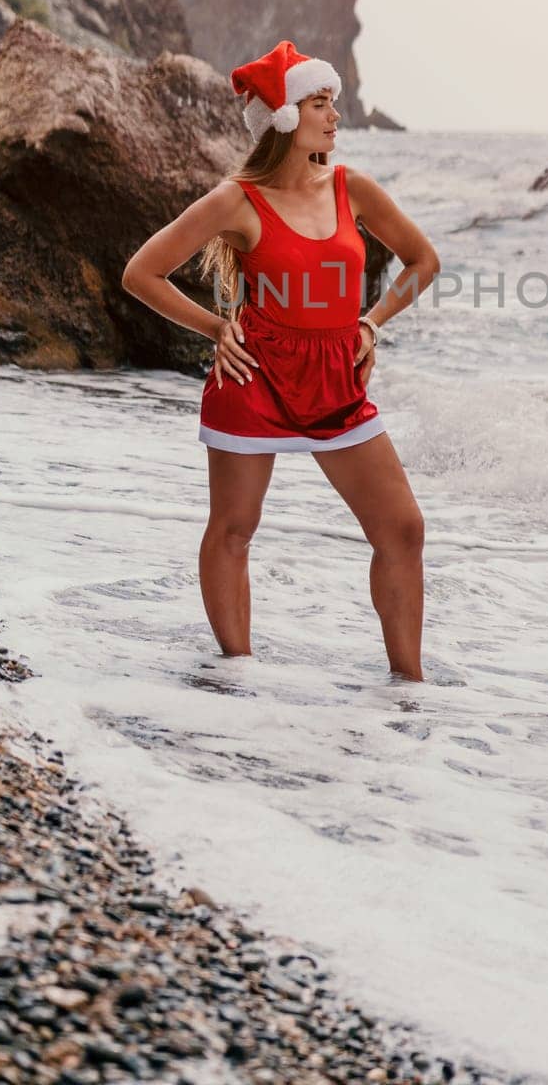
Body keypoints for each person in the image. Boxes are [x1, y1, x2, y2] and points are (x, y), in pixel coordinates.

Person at [121, 39, 441, 682]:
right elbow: (141, 272)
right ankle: (236, 676)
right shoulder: (237, 200)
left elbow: (423, 261)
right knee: (235, 527)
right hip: (255, 376)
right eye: (320, 104)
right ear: (285, 119)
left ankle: (409, 689)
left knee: (402, 528)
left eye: (333, 104)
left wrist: (371, 323)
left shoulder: (354, 189)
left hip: (338, 380)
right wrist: (217, 328)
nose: (334, 116)